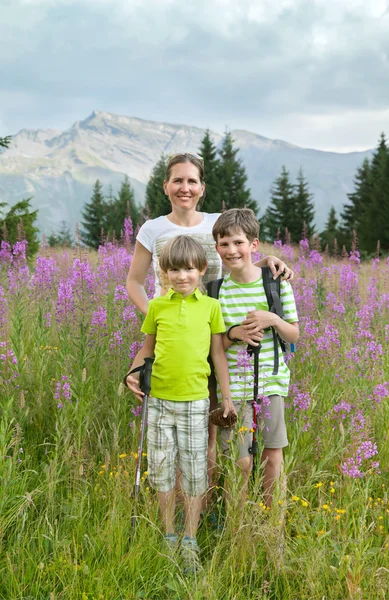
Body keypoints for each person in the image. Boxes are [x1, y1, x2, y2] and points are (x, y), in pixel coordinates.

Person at [126, 152, 294, 488]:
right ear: (166, 186)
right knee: (187, 430)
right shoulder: (153, 228)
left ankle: (216, 504)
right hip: (179, 341)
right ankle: (192, 510)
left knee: (217, 424)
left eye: (191, 181)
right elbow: (133, 282)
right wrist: (160, 318)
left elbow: (238, 255)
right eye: (177, 180)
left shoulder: (215, 222)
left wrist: (269, 260)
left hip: (220, 338)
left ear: (202, 187)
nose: (184, 188)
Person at [125, 235, 236, 574]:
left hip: (195, 402)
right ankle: (169, 535)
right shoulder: (157, 307)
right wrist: (131, 372)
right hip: (158, 400)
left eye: (188, 268)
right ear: (164, 272)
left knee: (193, 470)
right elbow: (148, 348)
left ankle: (190, 538)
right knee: (160, 469)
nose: (182, 276)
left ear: (201, 269)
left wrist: (227, 396)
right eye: (174, 269)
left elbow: (217, 353)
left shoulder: (211, 308)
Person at [212, 208, 299, 506]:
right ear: (216, 248)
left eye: (238, 243)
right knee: (240, 463)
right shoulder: (216, 292)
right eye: (224, 244)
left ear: (253, 244)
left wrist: (271, 319)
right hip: (234, 388)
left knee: (272, 457)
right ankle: (239, 531)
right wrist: (235, 333)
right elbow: (215, 347)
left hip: (271, 385)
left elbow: (294, 334)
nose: (231, 250)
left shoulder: (276, 284)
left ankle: (272, 527)